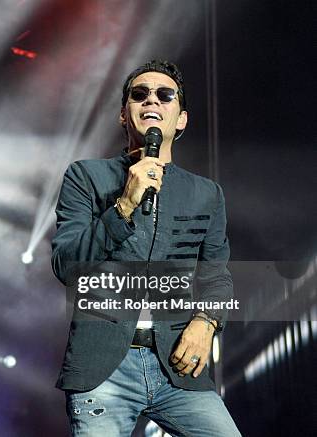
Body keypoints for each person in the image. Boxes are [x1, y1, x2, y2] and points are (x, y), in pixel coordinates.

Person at [51, 60, 241, 436]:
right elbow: (67, 267)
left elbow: (217, 278)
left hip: (179, 368)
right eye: (139, 95)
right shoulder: (86, 177)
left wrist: (206, 322)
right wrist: (123, 205)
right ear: (124, 114)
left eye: (164, 95)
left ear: (181, 119)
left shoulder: (206, 194)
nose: (151, 100)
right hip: (105, 369)